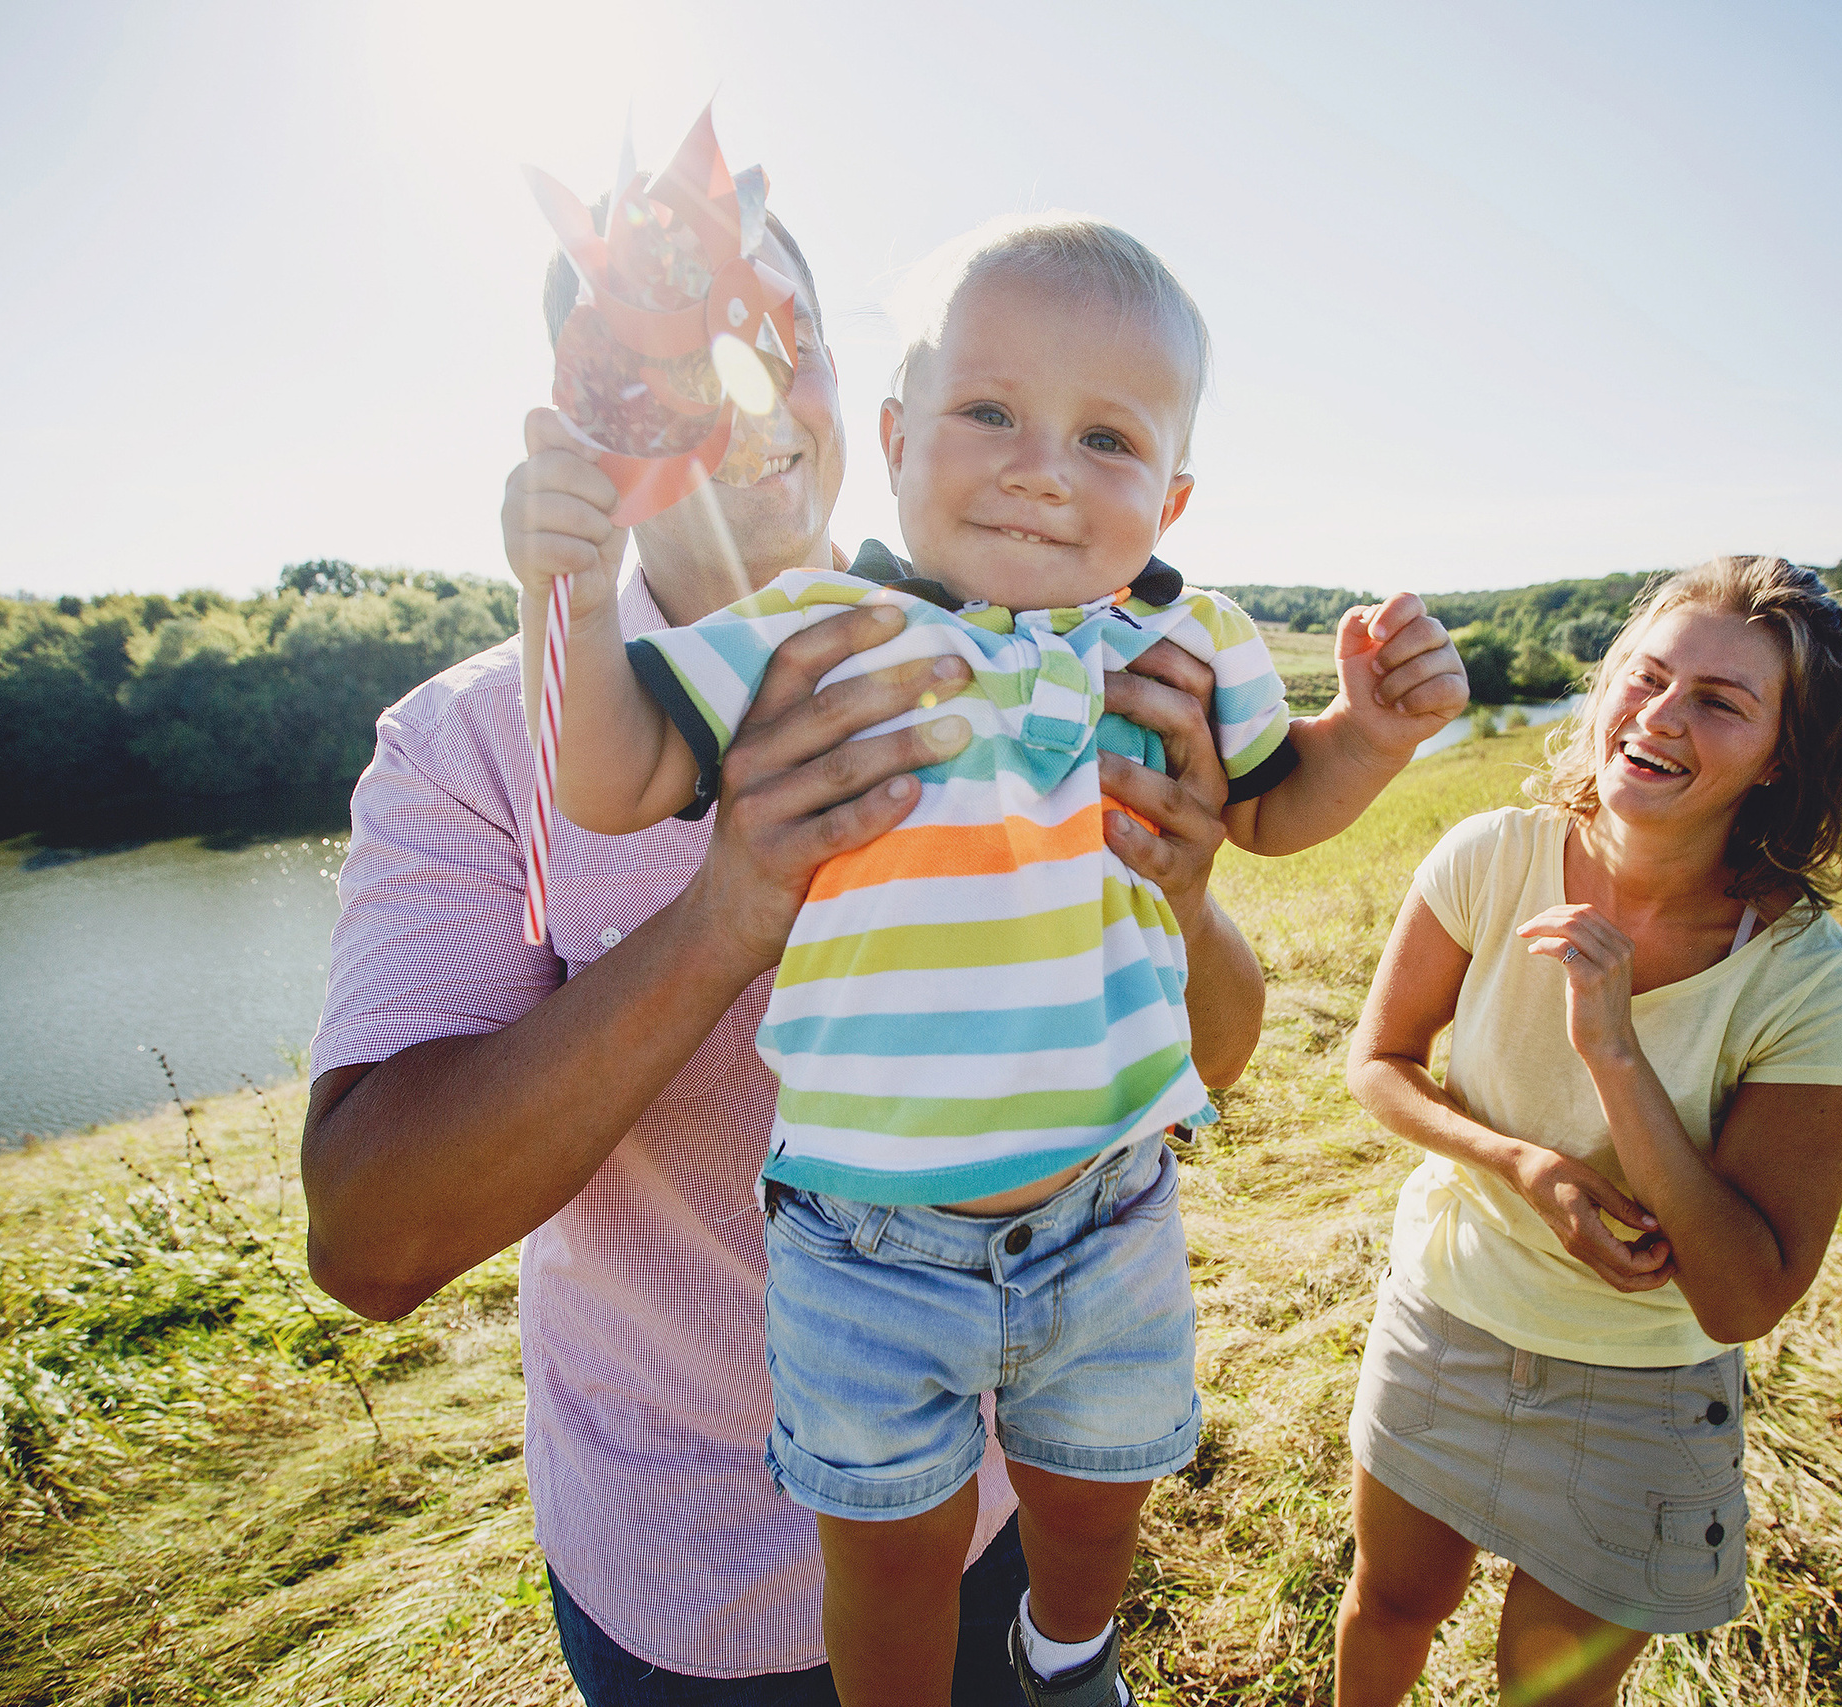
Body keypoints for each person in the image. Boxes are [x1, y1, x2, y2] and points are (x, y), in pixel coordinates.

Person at [300, 213, 1276, 1705]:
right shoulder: (473, 745)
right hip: (705, 1586)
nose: (741, 394)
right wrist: (726, 903)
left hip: (1016, 1478)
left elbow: (1212, 1050)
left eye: (781, 340)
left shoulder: (1047, 642)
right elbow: (370, 1242)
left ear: (851, 386)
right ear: (591, 404)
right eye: (661, 358)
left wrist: (1182, 887)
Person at [510, 216, 1470, 1707]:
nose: (1042, 467)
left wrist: (1375, 733)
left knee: (1099, 1486)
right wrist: (557, 590)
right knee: (890, 1539)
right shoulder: (820, 630)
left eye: (1107, 438)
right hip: (864, 1229)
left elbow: (1278, 808)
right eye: (991, 414)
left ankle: (1063, 1656)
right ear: (896, 438)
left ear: (1173, 493)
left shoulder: (1177, 637)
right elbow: (613, 769)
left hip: (1108, 1198)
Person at [1330, 557, 1842, 1707]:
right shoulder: (1491, 855)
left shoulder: (1809, 980)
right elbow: (1376, 1064)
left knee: (1551, 1690)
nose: (1659, 716)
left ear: (1782, 755)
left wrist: (1614, 1051)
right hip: (1446, 1318)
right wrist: (1519, 1163)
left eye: (1720, 702)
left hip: (1640, 1388)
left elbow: (1740, 1300)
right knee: (1388, 1608)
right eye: (1645, 676)